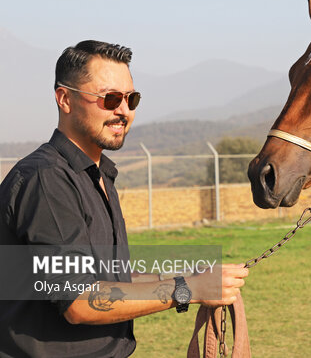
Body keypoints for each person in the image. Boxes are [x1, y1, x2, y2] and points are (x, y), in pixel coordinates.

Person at [0, 40, 249, 357]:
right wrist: (190, 290)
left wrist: (188, 278)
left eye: (131, 99)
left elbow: (108, 275)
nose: (123, 110)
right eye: (110, 99)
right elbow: (78, 301)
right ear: (65, 99)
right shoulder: (46, 180)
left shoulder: (98, 174)